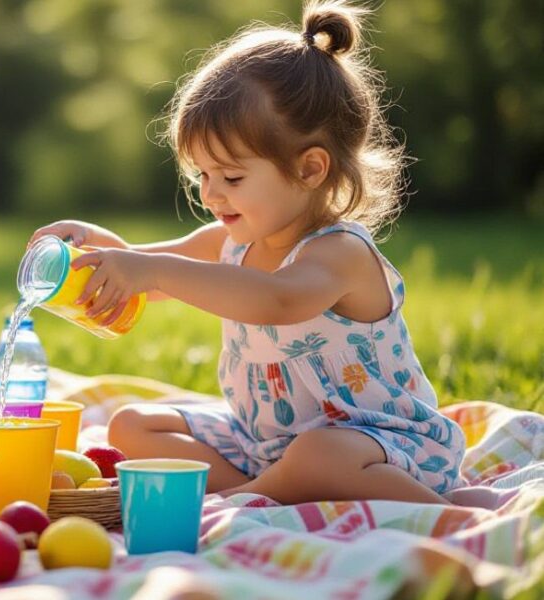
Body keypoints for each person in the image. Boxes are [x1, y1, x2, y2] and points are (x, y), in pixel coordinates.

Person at [31, 1, 465, 505]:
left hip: (379, 446)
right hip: (263, 443)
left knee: (319, 456)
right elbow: (148, 262)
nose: (211, 195)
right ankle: (265, 490)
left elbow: (276, 300)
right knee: (131, 425)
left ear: (310, 169)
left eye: (232, 177)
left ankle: (281, 498)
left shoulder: (339, 254)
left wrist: (151, 270)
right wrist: (96, 245)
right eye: (202, 176)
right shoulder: (233, 241)